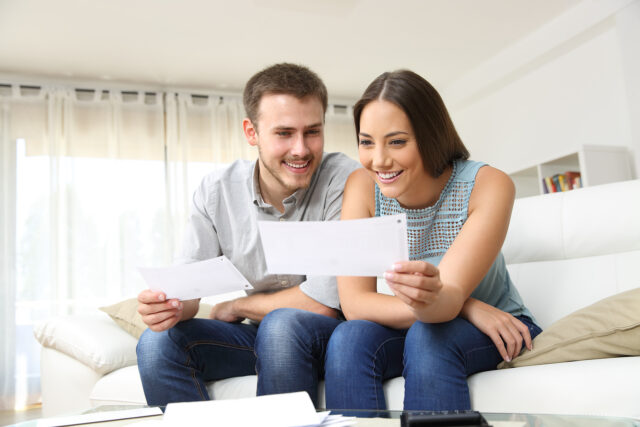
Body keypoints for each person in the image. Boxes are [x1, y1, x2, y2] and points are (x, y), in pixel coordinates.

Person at [136, 63, 359, 406]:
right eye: (284, 133)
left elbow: (322, 304)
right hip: (261, 337)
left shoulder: (344, 179)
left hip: (331, 339)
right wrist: (169, 307)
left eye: (312, 131)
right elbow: (189, 289)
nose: (301, 149)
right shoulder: (216, 191)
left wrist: (238, 305)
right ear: (251, 132)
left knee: (282, 326)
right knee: (157, 343)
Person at [324, 70, 542, 412]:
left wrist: (458, 305)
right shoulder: (362, 186)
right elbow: (355, 304)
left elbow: (448, 299)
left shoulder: (489, 185)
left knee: (430, 337)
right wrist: (470, 307)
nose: (378, 160)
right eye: (367, 142)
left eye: (396, 141)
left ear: (430, 136)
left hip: (498, 326)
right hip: (452, 317)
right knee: (349, 339)